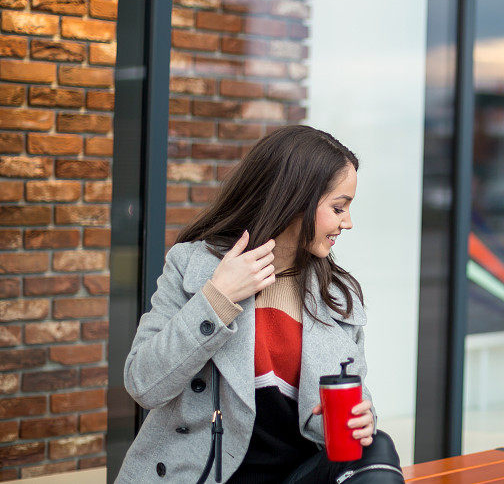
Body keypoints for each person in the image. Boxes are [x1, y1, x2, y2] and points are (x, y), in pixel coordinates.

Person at [116, 126, 404, 483]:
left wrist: (363, 420)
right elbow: (143, 383)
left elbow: (357, 402)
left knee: (378, 448)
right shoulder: (193, 266)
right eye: (338, 207)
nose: (348, 222)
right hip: (206, 476)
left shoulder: (337, 295)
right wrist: (217, 298)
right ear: (296, 200)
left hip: (297, 477)